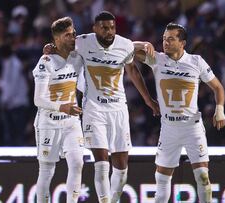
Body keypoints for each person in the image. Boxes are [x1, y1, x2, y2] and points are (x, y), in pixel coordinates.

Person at [43, 11, 159, 203]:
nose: (109, 31)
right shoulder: (83, 42)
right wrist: (51, 48)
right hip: (93, 110)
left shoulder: (124, 45)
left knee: (121, 169)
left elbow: (132, 68)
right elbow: (63, 43)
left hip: (118, 110)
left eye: (112, 27)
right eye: (104, 28)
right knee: (102, 163)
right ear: (95, 29)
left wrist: (148, 100)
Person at [134, 23, 225, 203]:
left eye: (170, 39)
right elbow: (124, 50)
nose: (165, 43)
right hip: (169, 128)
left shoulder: (196, 62)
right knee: (161, 183)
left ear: (182, 43)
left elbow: (218, 87)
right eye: (163, 39)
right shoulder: (156, 59)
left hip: (192, 128)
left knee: (203, 178)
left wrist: (220, 109)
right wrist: (142, 44)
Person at [32, 17, 84, 203]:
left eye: (74, 34)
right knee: (47, 171)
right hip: (49, 123)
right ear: (57, 39)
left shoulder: (78, 57)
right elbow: (38, 99)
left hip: (71, 122)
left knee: (78, 163)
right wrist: (62, 106)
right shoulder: (45, 61)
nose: (73, 38)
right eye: (67, 35)